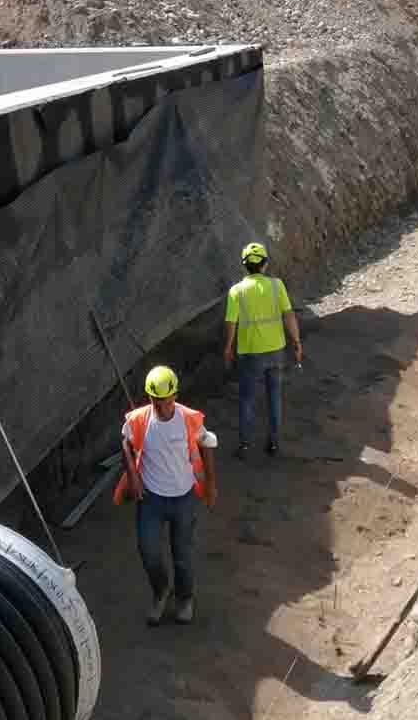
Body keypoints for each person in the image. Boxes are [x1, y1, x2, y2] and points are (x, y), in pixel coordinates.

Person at [114, 365, 218, 626]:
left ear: (175, 395)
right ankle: (161, 592)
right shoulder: (138, 420)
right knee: (148, 551)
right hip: (150, 499)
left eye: (168, 400)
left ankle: (184, 598)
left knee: (181, 554)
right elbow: (125, 443)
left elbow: (207, 445)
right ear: (150, 398)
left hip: (183, 498)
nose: (163, 406)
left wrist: (211, 484)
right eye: (157, 401)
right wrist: (134, 476)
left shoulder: (189, 419)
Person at [223, 241, 302, 458]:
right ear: (265, 264)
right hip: (276, 350)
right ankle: (274, 442)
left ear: (244, 265)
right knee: (274, 396)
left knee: (247, 399)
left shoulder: (236, 291)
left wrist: (228, 348)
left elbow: (231, 323)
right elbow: (289, 315)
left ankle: (245, 445)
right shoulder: (277, 285)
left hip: (250, 353)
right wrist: (296, 342)